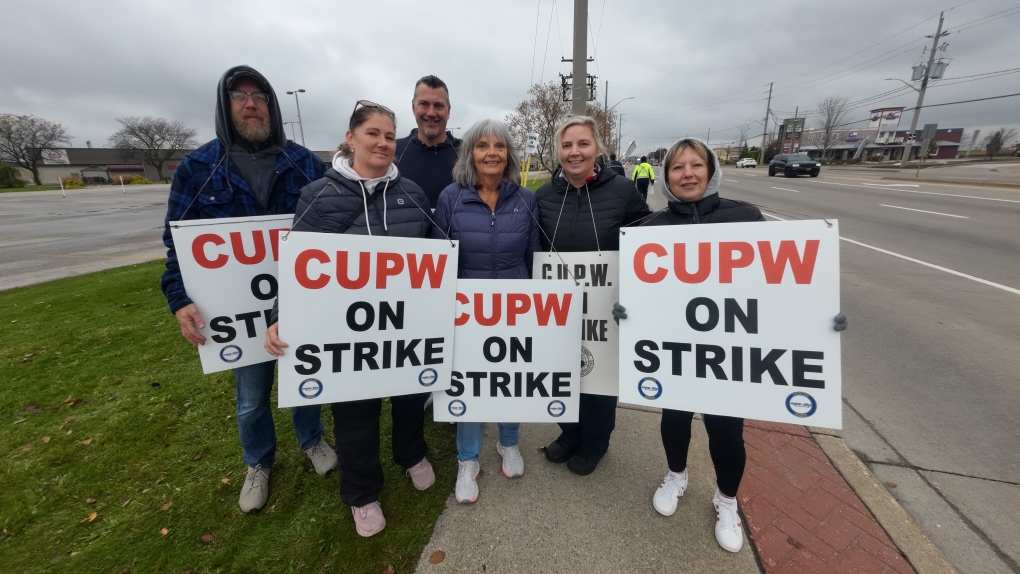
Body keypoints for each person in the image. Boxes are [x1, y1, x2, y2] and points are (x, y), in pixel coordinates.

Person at [611, 138, 847, 553]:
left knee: (726, 429)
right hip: (677, 351)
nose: (687, 174)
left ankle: (726, 500)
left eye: (695, 165)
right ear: (666, 177)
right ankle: (677, 475)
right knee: (674, 417)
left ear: (710, 170)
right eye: (678, 167)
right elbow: (639, 292)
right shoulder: (651, 230)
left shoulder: (746, 218)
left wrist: (821, 319)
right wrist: (626, 312)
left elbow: (779, 286)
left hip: (728, 353)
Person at [160, 65, 335, 514]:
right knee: (252, 396)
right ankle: (258, 463)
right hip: (239, 314)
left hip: (301, 300)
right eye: (240, 96)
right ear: (226, 105)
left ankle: (312, 440)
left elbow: (332, 229)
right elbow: (176, 242)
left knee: (305, 378)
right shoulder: (198, 168)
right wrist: (178, 298)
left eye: (259, 96)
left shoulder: (303, 162)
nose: (251, 103)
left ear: (273, 106)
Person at [264, 100, 436, 538]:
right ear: (351, 138)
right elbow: (296, 263)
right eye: (373, 133)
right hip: (347, 331)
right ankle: (362, 494)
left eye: (390, 136)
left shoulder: (412, 194)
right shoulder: (319, 194)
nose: (382, 142)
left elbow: (437, 259)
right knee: (355, 413)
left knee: (410, 398)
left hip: (403, 327)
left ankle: (411, 454)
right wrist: (280, 315)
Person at [431, 119, 541, 504]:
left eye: (499, 145)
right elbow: (440, 262)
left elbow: (534, 258)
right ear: (470, 153)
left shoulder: (526, 199)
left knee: (512, 380)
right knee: (470, 384)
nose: (491, 152)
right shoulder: (451, 198)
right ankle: (468, 459)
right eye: (482, 145)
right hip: (467, 313)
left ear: (508, 153)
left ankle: (509, 443)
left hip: (515, 310)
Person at [535, 115, 650, 476]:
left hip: (605, 305)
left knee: (599, 379)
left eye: (583, 144)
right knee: (562, 373)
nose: (574, 152)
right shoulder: (543, 196)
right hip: (559, 307)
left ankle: (595, 443)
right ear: (558, 150)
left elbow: (646, 245)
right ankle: (570, 433)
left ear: (597, 148)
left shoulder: (622, 191)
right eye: (567, 145)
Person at [395, 75, 462, 207]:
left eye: (438, 105)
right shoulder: (392, 151)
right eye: (424, 104)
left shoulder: (468, 154)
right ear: (414, 107)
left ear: (448, 110)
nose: (431, 113)